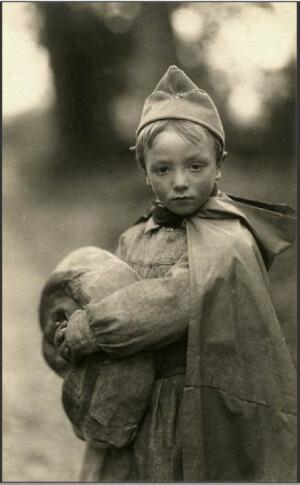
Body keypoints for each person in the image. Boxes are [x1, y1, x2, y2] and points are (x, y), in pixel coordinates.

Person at [42, 65, 296, 482]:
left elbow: (174, 303)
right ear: (144, 171)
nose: (180, 183)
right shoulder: (135, 236)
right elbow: (101, 287)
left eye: (195, 166)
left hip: (185, 404)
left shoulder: (229, 241)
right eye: (163, 170)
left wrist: (87, 330)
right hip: (127, 401)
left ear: (219, 165)